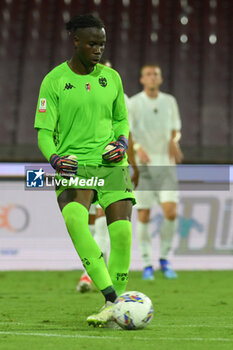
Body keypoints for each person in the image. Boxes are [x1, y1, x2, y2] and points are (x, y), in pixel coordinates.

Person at [34, 14, 135, 327]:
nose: (98, 49)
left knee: (122, 233)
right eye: (92, 43)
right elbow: (43, 132)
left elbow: (121, 120)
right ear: (75, 41)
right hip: (74, 165)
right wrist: (54, 159)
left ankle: (111, 306)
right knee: (76, 219)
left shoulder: (112, 78)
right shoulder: (54, 81)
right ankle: (113, 298)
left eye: (102, 44)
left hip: (111, 163)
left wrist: (121, 141)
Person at [129, 64, 183, 280]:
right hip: (143, 168)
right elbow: (128, 132)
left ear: (160, 79)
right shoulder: (133, 103)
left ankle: (164, 259)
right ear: (142, 79)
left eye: (156, 75)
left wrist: (174, 141)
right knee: (144, 214)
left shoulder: (169, 101)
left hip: (166, 164)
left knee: (171, 212)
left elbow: (176, 129)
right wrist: (136, 148)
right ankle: (146, 263)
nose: (152, 78)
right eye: (148, 75)